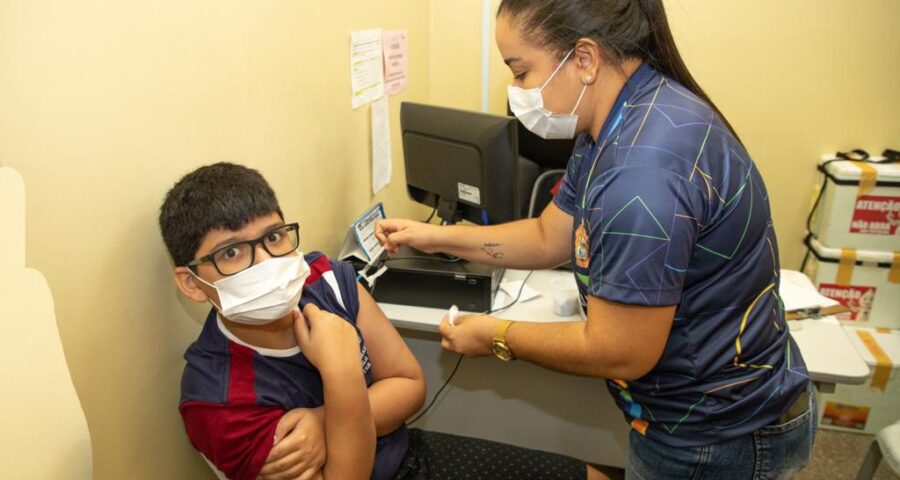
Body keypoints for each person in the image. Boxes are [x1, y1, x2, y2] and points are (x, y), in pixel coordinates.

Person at [376, 1, 816, 478]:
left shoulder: (642, 173)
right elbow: (550, 235)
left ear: (583, 59)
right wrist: (439, 238)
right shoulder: (619, 118)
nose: (517, 91)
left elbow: (621, 350)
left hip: (715, 436)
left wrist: (498, 336)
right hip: (704, 414)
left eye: (521, 72)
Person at [158, 162, 605, 480]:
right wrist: (341, 370)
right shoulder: (217, 400)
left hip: (406, 457)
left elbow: (410, 384)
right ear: (193, 283)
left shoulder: (325, 279)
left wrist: (323, 421)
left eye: (274, 237)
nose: (267, 262)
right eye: (232, 253)